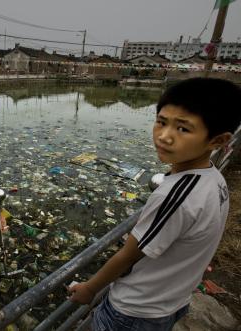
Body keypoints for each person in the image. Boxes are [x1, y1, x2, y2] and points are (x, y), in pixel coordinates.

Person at [69, 77, 241, 331]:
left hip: (134, 310)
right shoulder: (213, 177)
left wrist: (89, 288)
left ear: (218, 140)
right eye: (161, 122)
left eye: (183, 129)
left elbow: (127, 256)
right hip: (172, 299)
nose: (164, 136)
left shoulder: (175, 196)